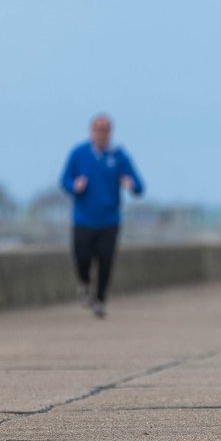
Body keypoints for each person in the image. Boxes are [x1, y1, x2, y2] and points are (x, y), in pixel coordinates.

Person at [59, 114, 144, 318]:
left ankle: (99, 300)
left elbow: (140, 186)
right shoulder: (78, 154)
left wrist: (130, 185)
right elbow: (64, 180)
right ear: (91, 131)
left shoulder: (119, 156)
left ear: (111, 132)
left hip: (109, 220)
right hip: (83, 219)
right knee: (82, 259)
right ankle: (86, 283)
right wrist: (75, 186)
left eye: (106, 129)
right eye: (98, 129)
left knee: (106, 261)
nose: (102, 133)